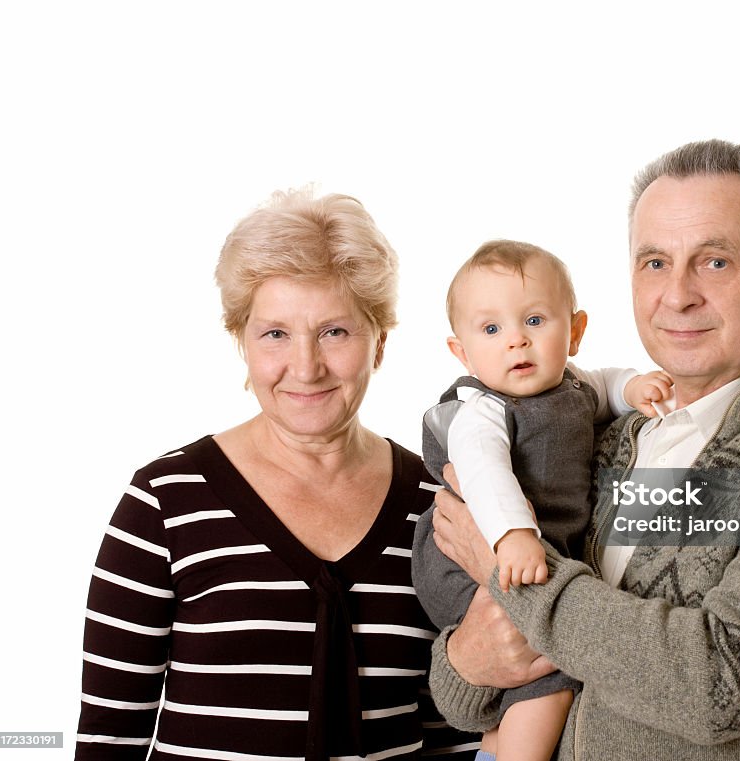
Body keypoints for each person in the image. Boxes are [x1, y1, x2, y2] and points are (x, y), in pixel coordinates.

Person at [426, 140, 740, 760]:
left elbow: (722, 685)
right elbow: (458, 698)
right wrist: (467, 658)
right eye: (654, 262)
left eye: (714, 262)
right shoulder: (591, 432)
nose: (677, 295)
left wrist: (510, 576)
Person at [75, 190, 478, 760]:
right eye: (275, 334)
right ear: (242, 342)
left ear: (379, 344)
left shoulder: (436, 502)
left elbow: (454, 731)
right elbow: (109, 735)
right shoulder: (163, 503)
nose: (306, 366)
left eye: (335, 331)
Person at [411, 240, 672, 761]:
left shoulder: (570, 384)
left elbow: (603, 387)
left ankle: (493, 747)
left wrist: (635, 387)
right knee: (550, 669)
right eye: (491, 330)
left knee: (531, 664)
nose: (516, 343)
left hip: (531, 547)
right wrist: (513, 536)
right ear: (461, 352)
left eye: (534, 321)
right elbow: (483, 476)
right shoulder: (480, 410)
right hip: (470, 555)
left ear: (574, 331)